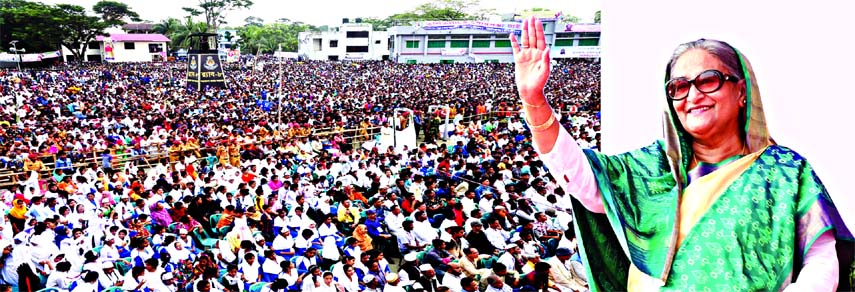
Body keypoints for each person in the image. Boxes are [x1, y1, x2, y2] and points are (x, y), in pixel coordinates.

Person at [511, 16, 854, 291]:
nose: (692, 96)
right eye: (678, 87)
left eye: (708, 80)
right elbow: (582, 178)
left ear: (742, 91)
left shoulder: (784, 172)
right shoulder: (652, 168)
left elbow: (821, 262)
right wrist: (534, 100)